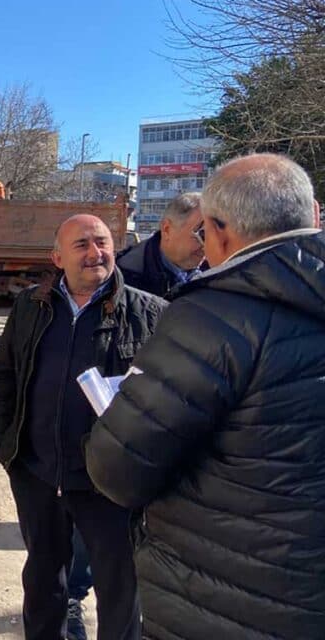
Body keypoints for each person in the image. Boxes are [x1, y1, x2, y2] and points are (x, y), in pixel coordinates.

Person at [85, 153, 325, 640]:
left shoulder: (214, 316)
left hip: (225, 594)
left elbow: (117, 466)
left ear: (218, 231)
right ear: (315, 215)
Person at [0, 214, 165, 640]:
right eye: (82, 245)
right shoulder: (30, 306)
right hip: (38, 474)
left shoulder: (149, 313)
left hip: (110, 484)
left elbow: (166, 400)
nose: (95, 253)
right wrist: (7, 447)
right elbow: (6, 376)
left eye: (102, 242)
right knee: (43, 580)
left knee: (119, 587)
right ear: (57, 258)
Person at [66, 192, 205, 639]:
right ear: (167, 229)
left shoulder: (213, 277)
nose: (206, 243)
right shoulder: (122, 275)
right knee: (95, 533)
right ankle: (72, 597)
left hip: (175, 424)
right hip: (114, 431)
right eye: (199, 232)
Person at [115, 192, 204, 296]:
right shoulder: (124, 277)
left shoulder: (216, 272)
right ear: (167, 229)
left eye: (213, 235)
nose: (207, 245)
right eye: (202, 234)